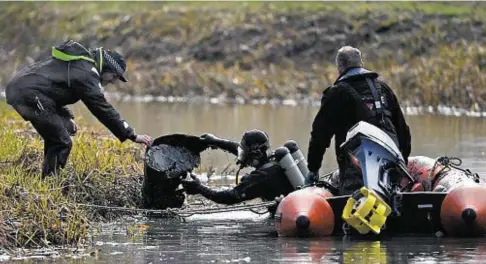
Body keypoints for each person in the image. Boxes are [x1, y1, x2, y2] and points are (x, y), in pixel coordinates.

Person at [5, 40, 152, 178]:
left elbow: (51, 90)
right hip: (26, 93)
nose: (113, 81)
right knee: (62, 142)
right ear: (106, 67)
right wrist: (131, 135)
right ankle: (50, 182)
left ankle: (48, 176)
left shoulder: (83, 66)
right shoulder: (86, 72)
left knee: (62, 129)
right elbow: (101, 107)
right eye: (114, 76)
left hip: (30, 92)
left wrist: (67, 116)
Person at [305, 46, 411, 194]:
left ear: (340, 68)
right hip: (392, 165)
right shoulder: (383, 89)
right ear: (361, 64)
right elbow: (403, 131)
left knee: (353, 210)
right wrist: (403, 161)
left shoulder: (336, 93)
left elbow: (320, 135)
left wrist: (313, 168)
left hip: (356, 169)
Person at [181, 130, 294, 205]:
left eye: (243, 152)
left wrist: (199, 188)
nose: (241, 156)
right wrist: (215, 141)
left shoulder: (262, 177)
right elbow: (239, 149)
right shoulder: (275, 159)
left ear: (255, 154)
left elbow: (230, 197)